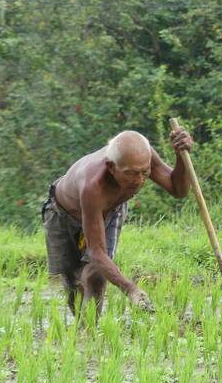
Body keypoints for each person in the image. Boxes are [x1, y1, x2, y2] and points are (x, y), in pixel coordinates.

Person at [41, 128, 193, 316]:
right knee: (74, 282)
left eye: (145, 173)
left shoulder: (143, 157)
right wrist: (131, 289)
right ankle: (82, 327)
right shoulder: (92, 185)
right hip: (62, 213)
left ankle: (89, 333)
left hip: (110, 211)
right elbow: (96, 250)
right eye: (130, 174)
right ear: (112, 167)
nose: (139, 181)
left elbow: (179, 190)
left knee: (96, 273)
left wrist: (181, 156)